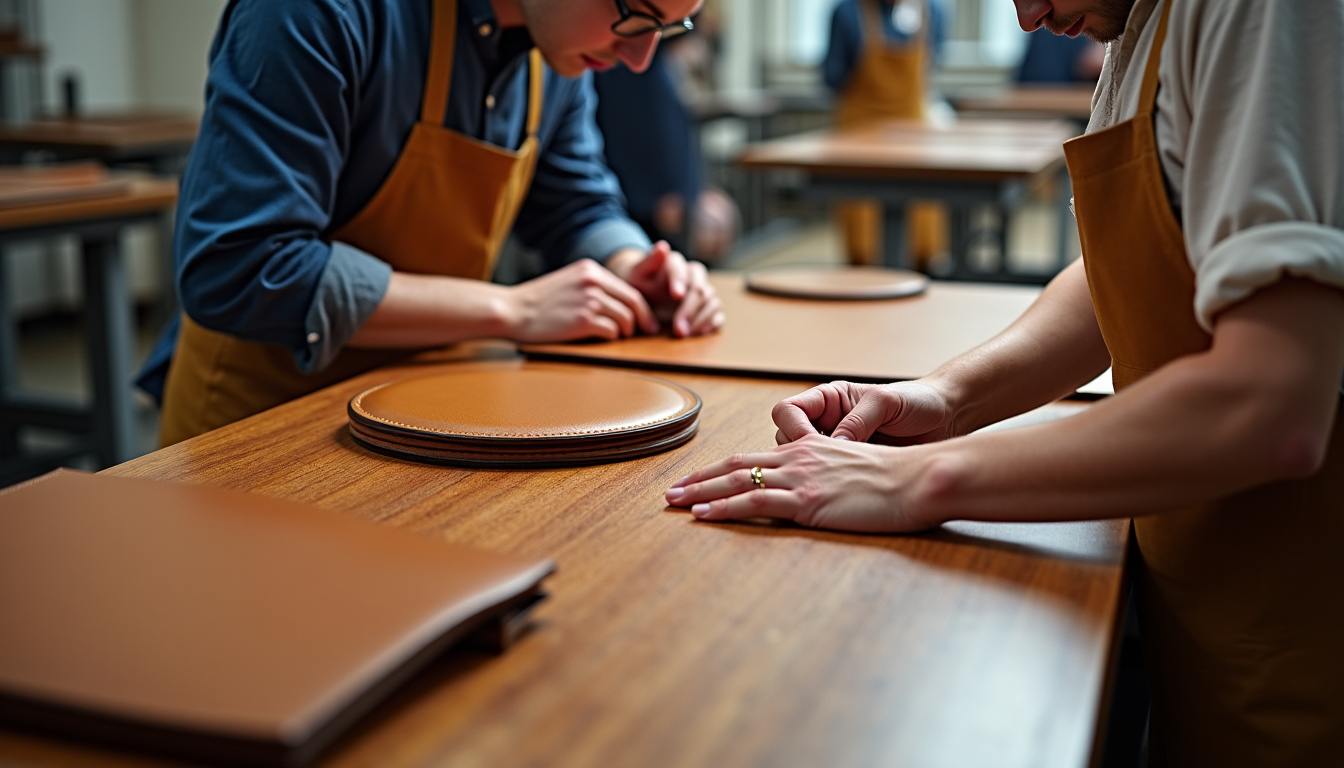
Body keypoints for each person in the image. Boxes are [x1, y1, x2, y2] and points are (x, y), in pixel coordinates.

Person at [668, 0, 1344, 763]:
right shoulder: (1134, 23)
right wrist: (944, 398)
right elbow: (1130, 266)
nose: (1025, 18)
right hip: (1211, 595)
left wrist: (913, 481)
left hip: (1308, 628)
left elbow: (1270, 401)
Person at [137, 0, 723, 446]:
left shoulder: (561, 47)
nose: (640, 57)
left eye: (671, 26)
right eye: (634, 14)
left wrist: (632, 264)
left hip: (430, 415)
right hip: (258, 433)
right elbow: (240, 264)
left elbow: (575, 204)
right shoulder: (319, 12)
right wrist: (512, 311)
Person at [822, 0, 948, 267]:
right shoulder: (848, 12)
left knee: (919, 242)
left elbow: (833, 77)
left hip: (911, 140)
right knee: (865, 246)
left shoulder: (932, 11)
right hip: (861, 141)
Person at [593, 42, 738, 262]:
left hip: (657, 195)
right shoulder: (631, 65)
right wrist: (669, 191)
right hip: (643, 198)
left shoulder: (654, 62)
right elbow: (635, 126)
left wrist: (692, 190)